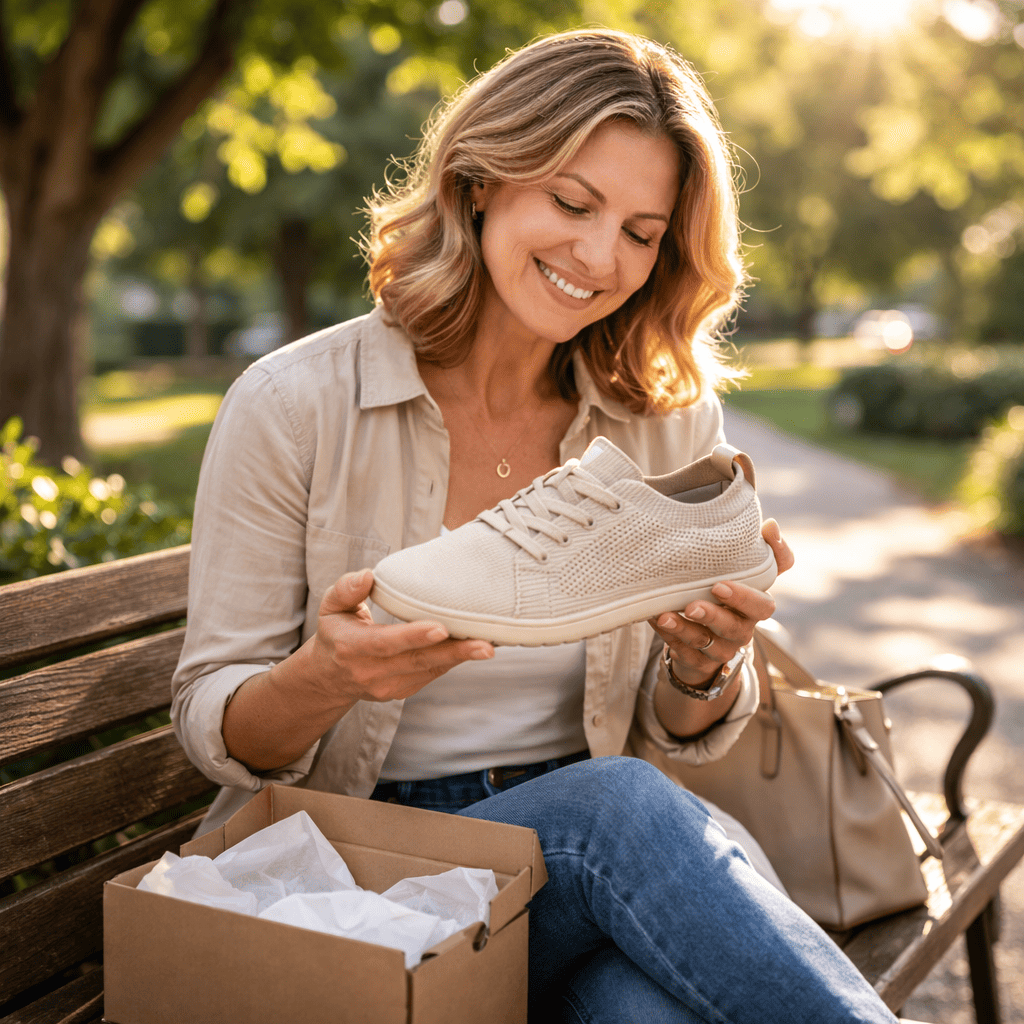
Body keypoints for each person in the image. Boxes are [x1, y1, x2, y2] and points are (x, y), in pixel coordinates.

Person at [172, 29, 899, 1024]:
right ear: (480, 181)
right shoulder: (293, 403)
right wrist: (327, 674)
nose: (600, 257)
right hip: (369, 863)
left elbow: (672, 730)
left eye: (642, 233)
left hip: (582, 870)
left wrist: (703, 668)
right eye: (571, 202)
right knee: (619, 806)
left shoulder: (665, 420)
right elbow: (216, 723)